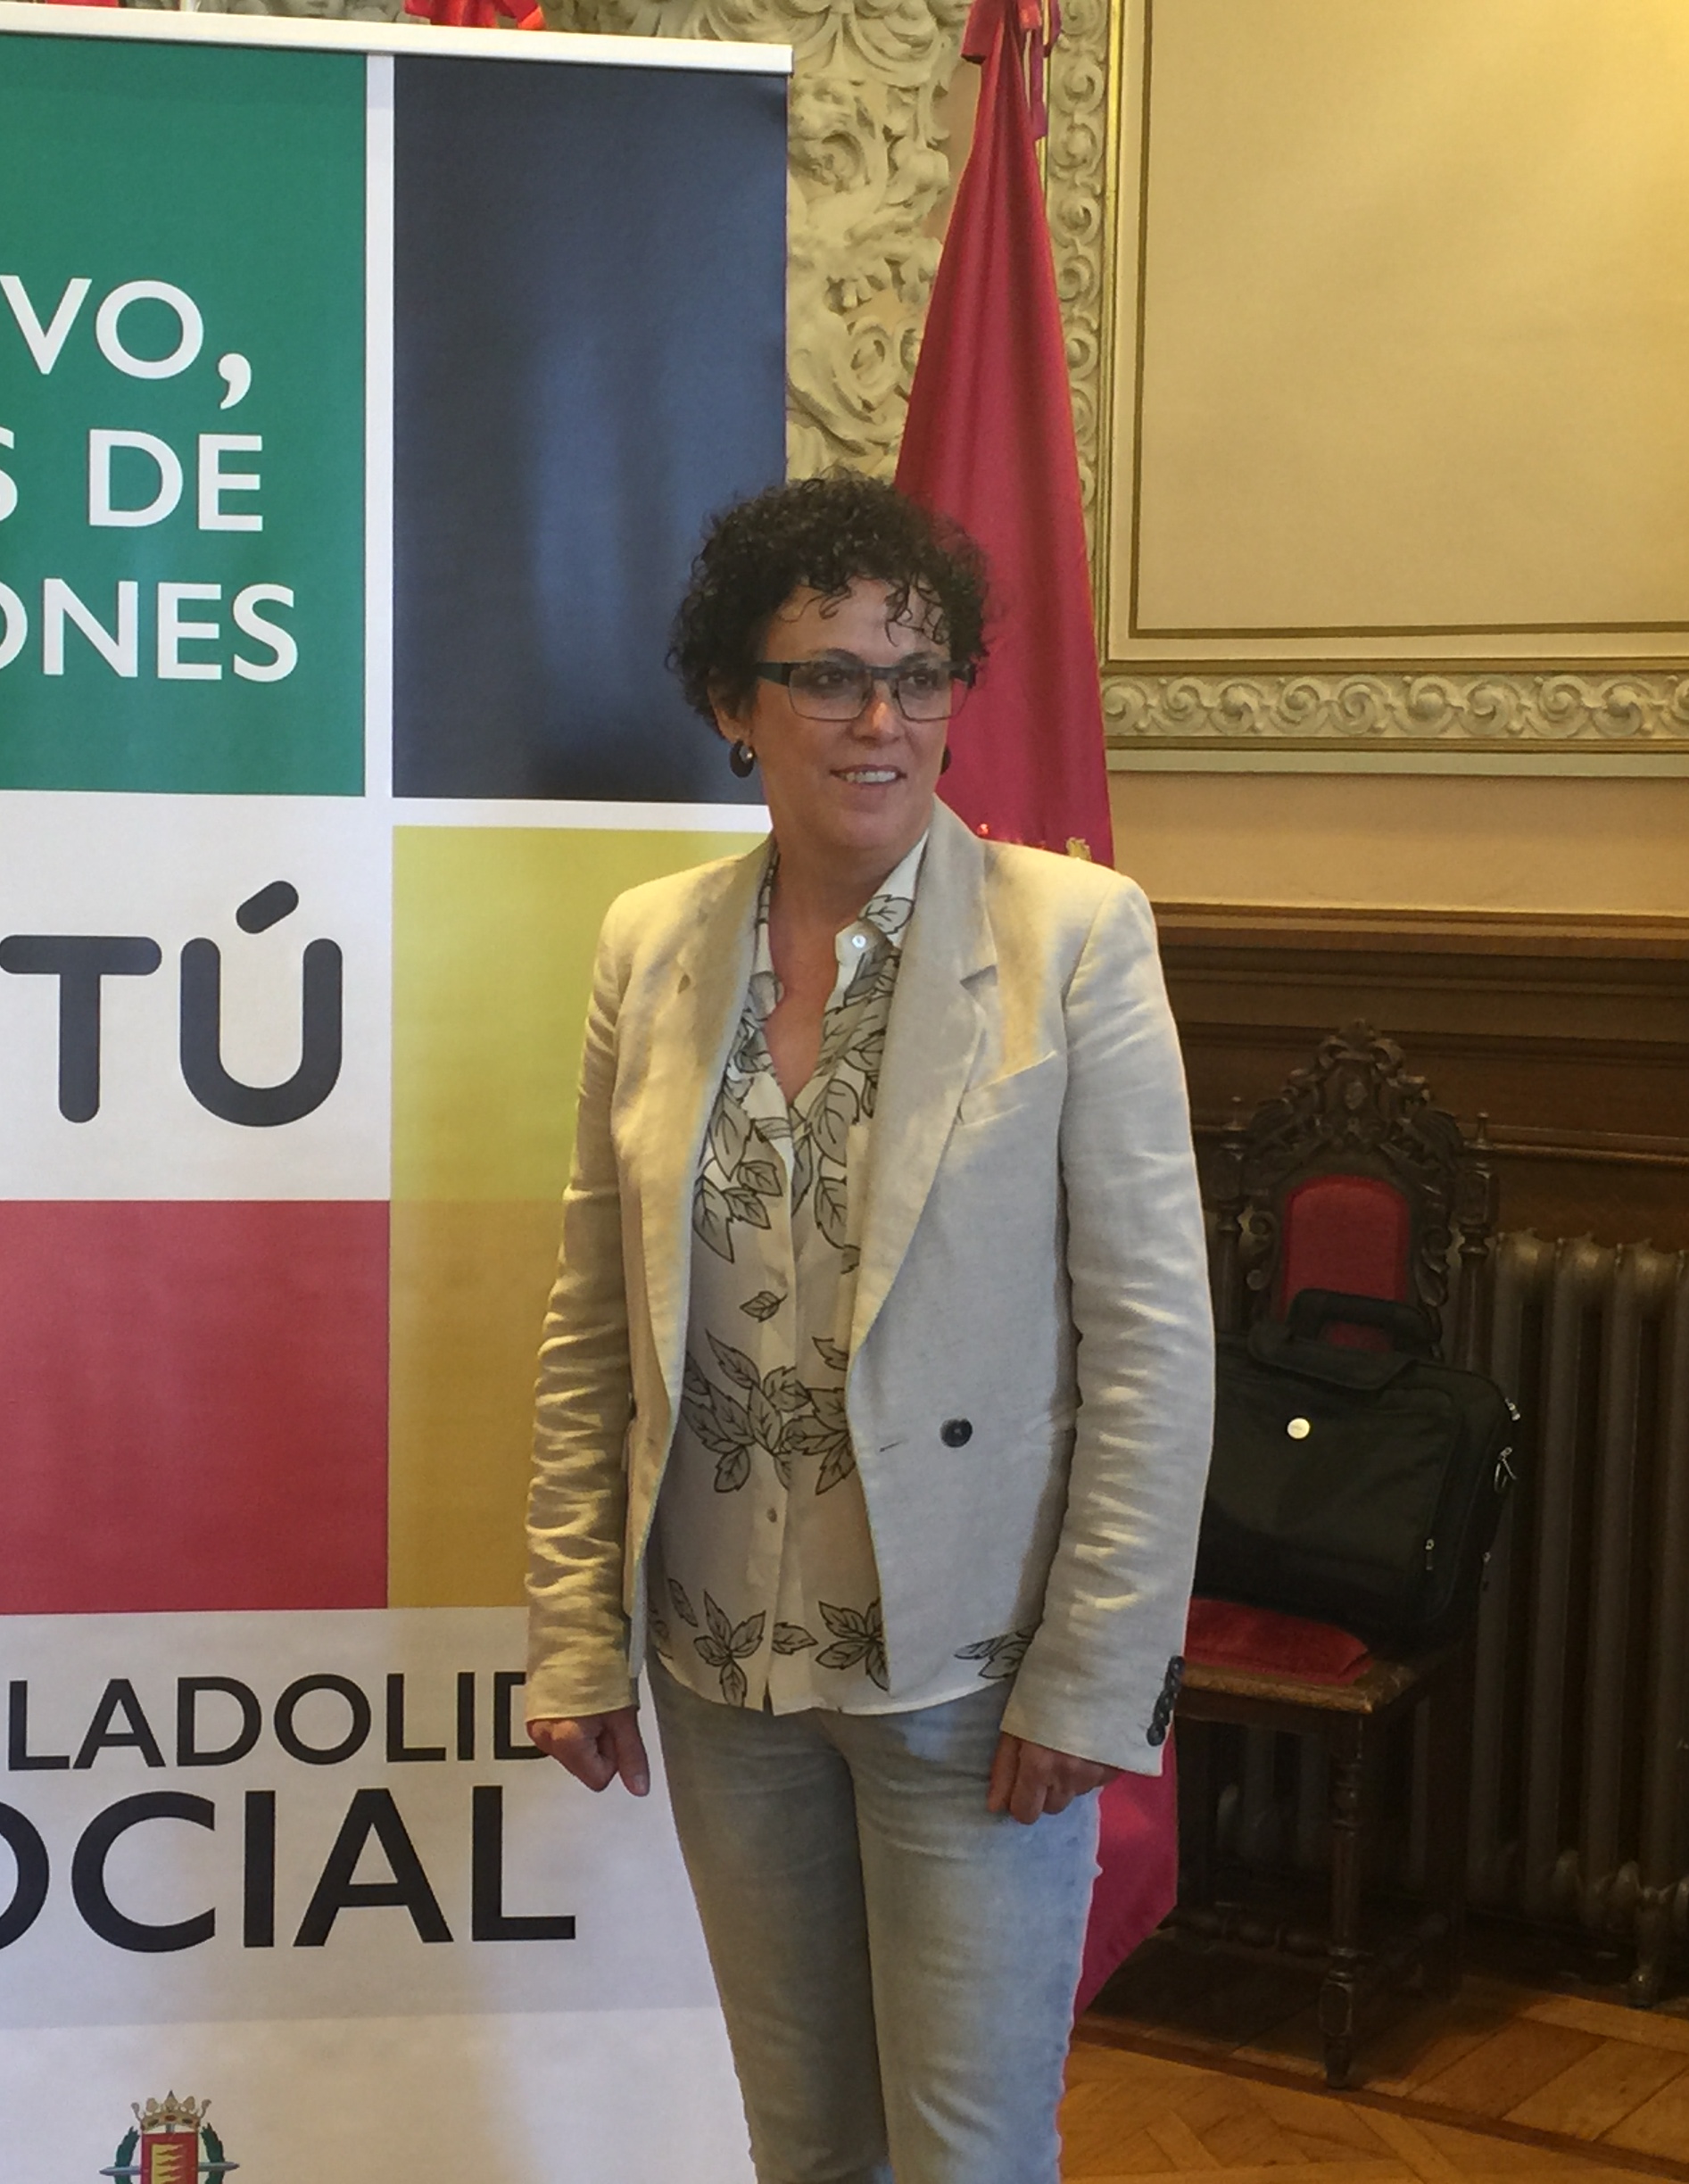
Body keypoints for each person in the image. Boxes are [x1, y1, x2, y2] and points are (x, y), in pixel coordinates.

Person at [520, 474, 1214, 2184]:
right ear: (734, 702)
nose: (883, 719)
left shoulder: (1075, 938)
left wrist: (1096, 1676)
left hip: (972, 1676)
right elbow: (596, 1318)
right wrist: (575, 1627)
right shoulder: (653, 945)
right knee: (807, 2148)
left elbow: (1152, 1347)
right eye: (829, 674)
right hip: (720, 1663)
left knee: (969, 2155)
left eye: (919, 674)